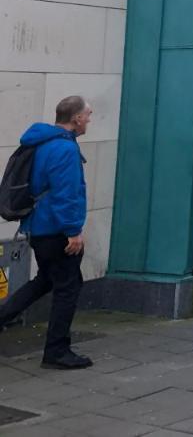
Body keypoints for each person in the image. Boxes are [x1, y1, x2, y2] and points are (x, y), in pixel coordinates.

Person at [0, 96, 93, 369]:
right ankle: (56, 351)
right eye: (88, 114)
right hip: (56, 230)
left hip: (39, 227)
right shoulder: (64, 149)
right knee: (68, 286)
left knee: (45, 280)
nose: (89, 119)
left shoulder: (41, 142)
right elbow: (66, 194)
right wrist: (73, 231)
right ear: (76, 118)